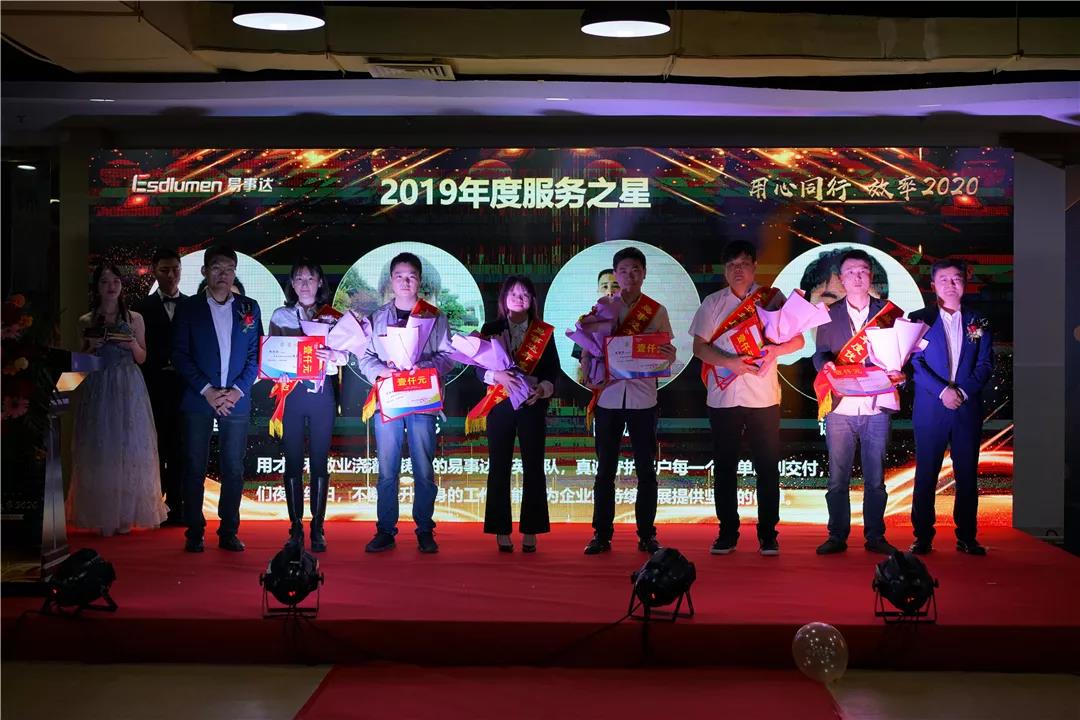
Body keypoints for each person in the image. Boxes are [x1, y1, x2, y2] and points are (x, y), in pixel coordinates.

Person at [690, 240, 804, 557]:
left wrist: (776, 350)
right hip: (723, 396)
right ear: (725, 270)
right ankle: (727, 533)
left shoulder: (771, 298)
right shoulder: (713, 303)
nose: (737, 270)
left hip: (763, 396)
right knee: (725, 467)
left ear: (754, 266)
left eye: (743, 264)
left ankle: (768, 534)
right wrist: (731, 363)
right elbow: (699, 348)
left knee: (767, 468)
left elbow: (798, 340)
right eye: (731, 265)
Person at [580, 247, 676, 555]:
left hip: (643, 398)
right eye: (623, 270)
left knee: (646, 470)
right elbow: (588, 350)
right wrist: (588, 368)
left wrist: (669, 355)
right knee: (605, 470)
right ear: (615, 274)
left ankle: (647, 534)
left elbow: (666, 352)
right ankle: (601, 534)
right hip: (608, 397)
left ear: (644, 273)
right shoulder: (603, 308)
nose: (629, 276)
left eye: (635, 270)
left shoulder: (657, 310)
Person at [358, 252, 454, 554]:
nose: (405, 281)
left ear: (419, 280)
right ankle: (385, 530)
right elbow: (364, 357)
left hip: (422, 398)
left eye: (411, 276)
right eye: (399, 276)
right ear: (391, 280)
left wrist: (424, 368)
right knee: (387, 468)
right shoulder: (377, 317)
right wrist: (382, 370)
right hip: (389, 400)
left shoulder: (434, 316)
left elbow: (448, 357)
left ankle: (425, 529)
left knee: (423, 467)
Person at [812, 249, 906, 555]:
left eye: (863, 270)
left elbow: (905, 354)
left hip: (877, 405)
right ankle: (836, 535)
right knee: (838, 478)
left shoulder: (889, 313)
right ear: (841, 278)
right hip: (841, 406)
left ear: (870, 275)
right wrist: (825, 365)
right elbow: (819, 353)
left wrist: (901, 373)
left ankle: (875, 536)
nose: (857, 276)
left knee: (875, 478)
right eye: (851, 272)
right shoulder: (829, 313)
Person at [172, 244, 262, 553]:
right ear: (204, 271)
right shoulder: (189, 308)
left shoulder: (249, 307)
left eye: (229, 269)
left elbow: (255, 357)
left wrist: (236, 391)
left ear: (235, 273)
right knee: (194, 466)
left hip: (236, 398)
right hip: (199, 398)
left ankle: (229, 531)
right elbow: (180, 355)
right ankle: (194, 531)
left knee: (233, 467)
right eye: (216, 268)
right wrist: (208, 390)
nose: (223, 275)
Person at [67, 264, 168, 535]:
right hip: (99, 384)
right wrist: (90, 348)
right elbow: (79, 366)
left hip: (128, 384)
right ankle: (103, 514)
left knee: (130, 446)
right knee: (100, 448)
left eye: (115, 281)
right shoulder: (86, 320)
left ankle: (126, 514)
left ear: (122, 285)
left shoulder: (135, 318)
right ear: (97, 287)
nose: (111, 286)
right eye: (104, 282)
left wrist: (131, 344)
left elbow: (142, 357)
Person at [908, 259, 993, 556]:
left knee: (967, 474)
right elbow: (914, 363)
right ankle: (922, 536)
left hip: (966, 408)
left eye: (956, 279)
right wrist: (943, 391)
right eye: (943, 279)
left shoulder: (979, 321)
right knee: (926, 473)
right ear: (933, 285)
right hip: (931, 407)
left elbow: (985, 364)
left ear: (964, 283)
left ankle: (967, 536)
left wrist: (962, 392)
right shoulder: (919, 319)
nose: (950, 284)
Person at [268, 259, 350, 552]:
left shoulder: (332, 317)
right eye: (299, 279)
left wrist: (333, 356)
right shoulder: (280, 315)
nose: (304, 284)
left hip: (321, 393)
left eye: (310, 278)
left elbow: (346, 356)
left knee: (319, 460)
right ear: (292, 284)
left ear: (320, 283)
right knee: (292, 459)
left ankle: (317, 527)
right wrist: (278, 370)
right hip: (291, 394)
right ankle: (295, 527)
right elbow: (272, 355)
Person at [474, 275, 559, 553]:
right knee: (499, 466)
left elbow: (552, 372)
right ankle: (501, 529)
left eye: (524, 294)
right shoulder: (491, 328)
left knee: (533, 466)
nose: (519, 299)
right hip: (500, 406)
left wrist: (542, 389)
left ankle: (531, 530)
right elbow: (478, 369)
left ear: (532, 299)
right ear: (504, 299)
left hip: (531, 405)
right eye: (513, 294)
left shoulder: (543, 332)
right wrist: (497, 375)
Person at [134, 248, 186, 525]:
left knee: (181, 447)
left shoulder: (192, 305)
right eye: (164, 270)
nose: (170, 275)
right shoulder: (140, 308)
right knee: (156, 447)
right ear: (154, 272)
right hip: (153, 386)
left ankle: (178, 505)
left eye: (175, 269)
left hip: (185, 387)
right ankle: (155, 506)